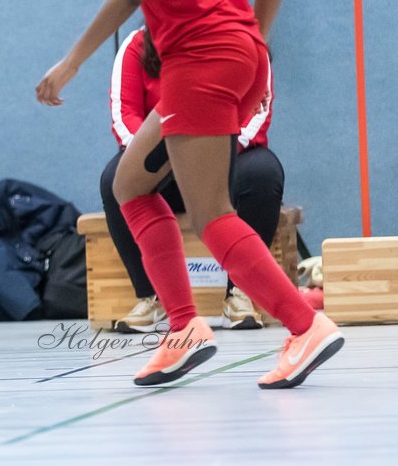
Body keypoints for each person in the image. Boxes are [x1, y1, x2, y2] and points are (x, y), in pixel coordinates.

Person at [36, 0, 344, 389]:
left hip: (199, 64)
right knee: (130, 183)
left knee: (212, 214)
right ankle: (184, 328)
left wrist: (69, 63)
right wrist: (251, 39)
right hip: (240, 55)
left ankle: (303, 327)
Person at [103, 27, 285, 332]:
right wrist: (172, 158)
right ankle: (151, 297)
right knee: (115, 179)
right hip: (163, 160)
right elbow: (125, 116)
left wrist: (209, 154)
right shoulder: (136, 45)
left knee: (263, 174)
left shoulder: (241, 42)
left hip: (225, 156)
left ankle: (240, 294)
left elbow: (255, 114)